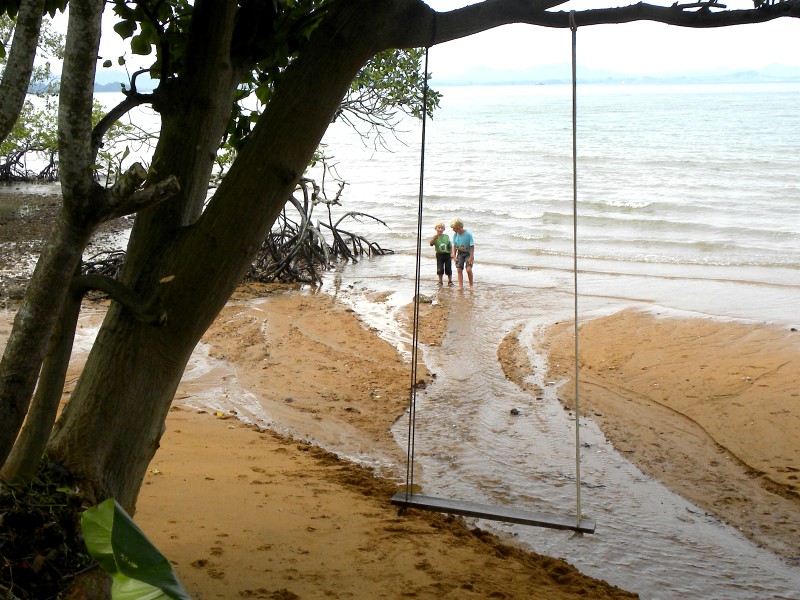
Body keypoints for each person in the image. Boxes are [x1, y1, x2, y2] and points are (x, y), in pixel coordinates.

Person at [450, 218, 474, 289]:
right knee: (459, 269)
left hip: (468, 254)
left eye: (454, 228)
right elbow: (455, 245)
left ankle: (471, 285)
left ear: (458, 228)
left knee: (468, 269)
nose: (453, 230)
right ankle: (460, 286)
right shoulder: (455, 235)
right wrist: (454, 255)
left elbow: (472, 246)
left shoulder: (468, 234)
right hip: (460, 253)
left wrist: (471, 257)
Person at [429, 221, 453, 286]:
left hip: (447, 254)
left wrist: (452, 254)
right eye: (439, 228)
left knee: (448, 268)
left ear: (444, 229)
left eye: (442, 228)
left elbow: (450, 246)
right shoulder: (435, 237)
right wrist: (434, 238)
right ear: (436, 228)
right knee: (440, 269)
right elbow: (431, 244)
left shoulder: (446, 237)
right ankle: (440, 281)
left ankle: (450, 281)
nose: (440, 229)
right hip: (439, 255)